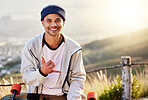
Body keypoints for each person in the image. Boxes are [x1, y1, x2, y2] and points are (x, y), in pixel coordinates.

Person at [21, 5, 86, 100]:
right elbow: (26, 78)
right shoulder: (31, 46)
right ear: (42, 23)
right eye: (49, 21)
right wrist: (42, 72)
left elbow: (78, 78)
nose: (53, 25)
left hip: (65, 96)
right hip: (38, 96)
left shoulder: (74, 48)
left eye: (57, 20)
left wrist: (72, 98)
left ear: (63, 23)